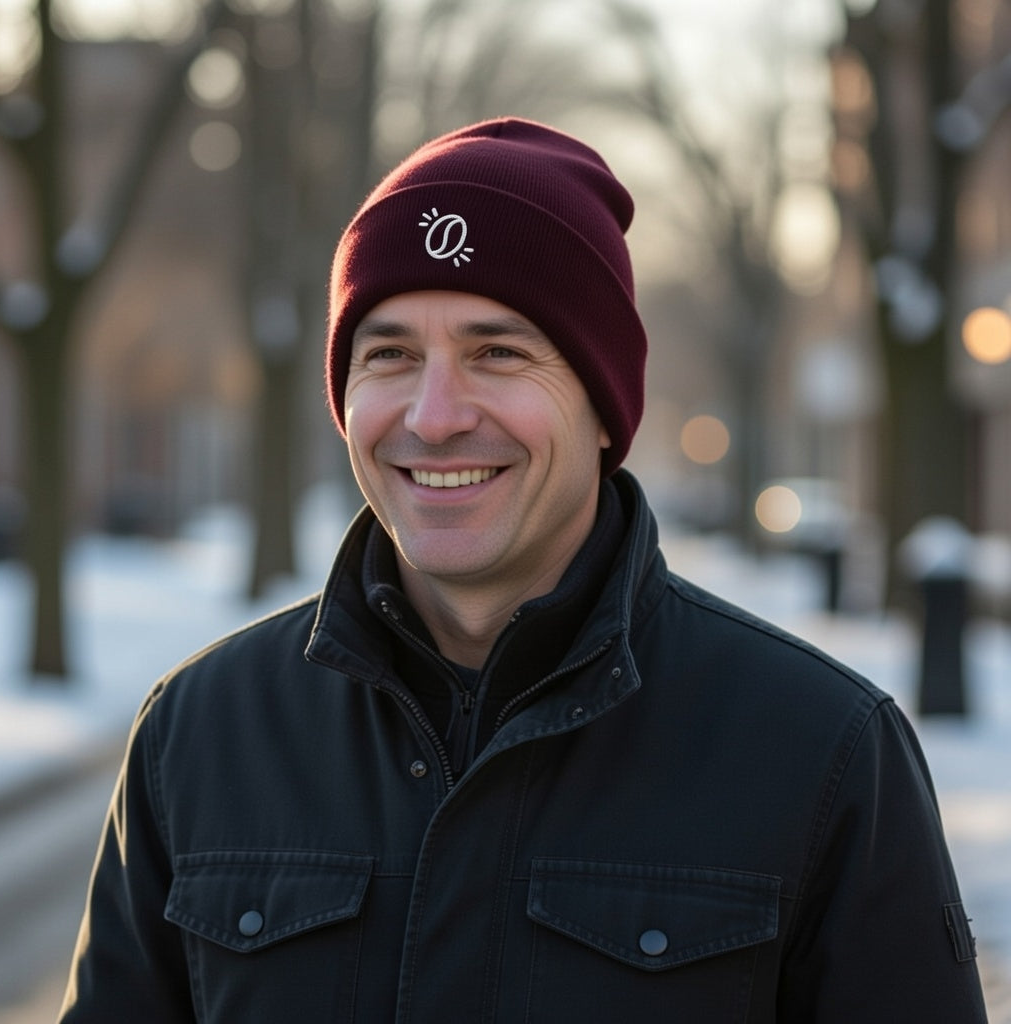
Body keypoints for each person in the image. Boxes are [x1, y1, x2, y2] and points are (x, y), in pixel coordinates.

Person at [59, 118, 988, 1022]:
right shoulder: (198, 733)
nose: (434, 415)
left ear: (602, 407)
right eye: (389, 354)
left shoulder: (822, 750)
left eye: (497, 352)